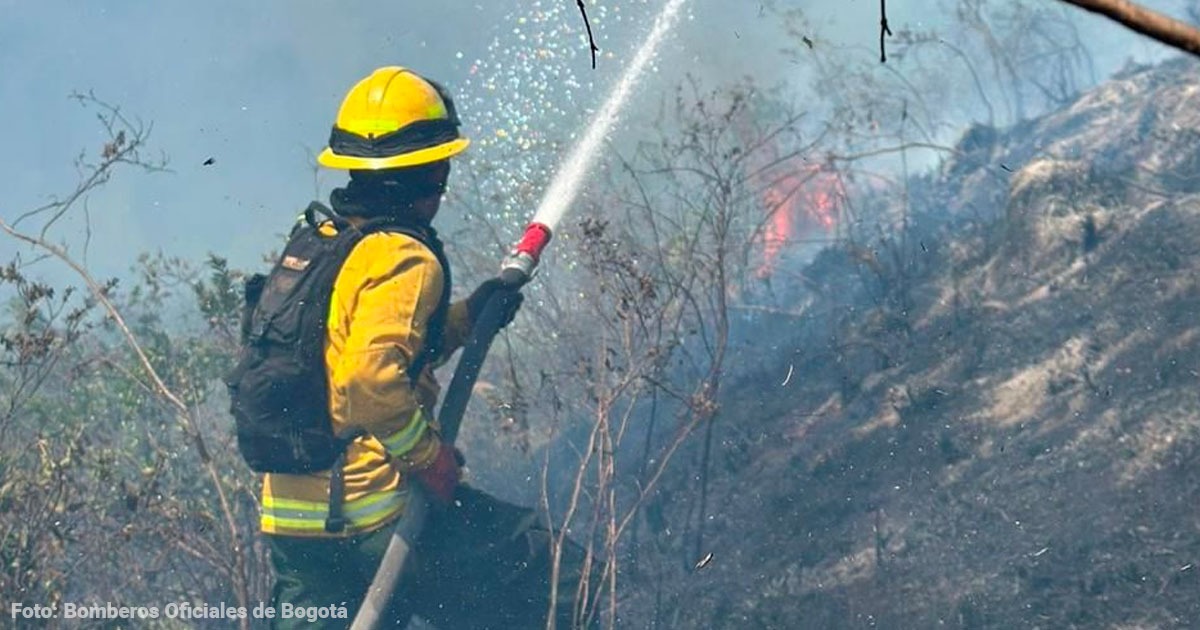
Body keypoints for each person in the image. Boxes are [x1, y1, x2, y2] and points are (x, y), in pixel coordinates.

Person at [256, 66, 593, 629]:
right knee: (565, 581)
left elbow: (355, 356)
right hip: (374, 519)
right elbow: (369, 379)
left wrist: (468, 318)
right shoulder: (404, 256)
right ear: (433, 171)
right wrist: (429, 458)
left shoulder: (324, 246)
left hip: (294, 528)